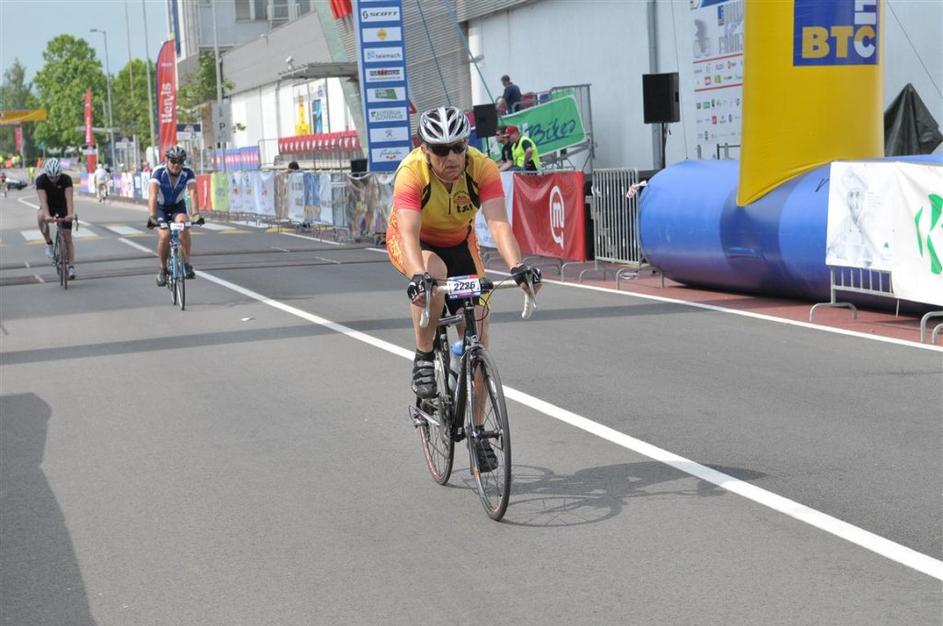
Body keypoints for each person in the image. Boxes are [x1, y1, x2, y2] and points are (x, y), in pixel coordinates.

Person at [386, 106, 541, 469]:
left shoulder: (482, 168)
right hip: (416, 244)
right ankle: (424, 356)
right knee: (432, 274)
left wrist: (517, 267)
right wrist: (417, 276)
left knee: (478, 332)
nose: (452, 157)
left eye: (458, 147)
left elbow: (499, 224)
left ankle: (478, 431)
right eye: (441, 150)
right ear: (425, 149)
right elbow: (407, 232)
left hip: (460, 244)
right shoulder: (412, 171)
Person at [146, 145, 202, 285]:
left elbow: (193, 193)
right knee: (165, 236)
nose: (176, 165)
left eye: (180, 162)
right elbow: (153, 194)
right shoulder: (159, 171)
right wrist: (152, 217)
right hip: (160, 207)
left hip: (177, 206)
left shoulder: (188, 172)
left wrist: (195, 214)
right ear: (167, 160)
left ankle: (187, 264)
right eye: (173, 161)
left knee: (183, 226)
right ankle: (163, 268)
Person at [35, 158, 77, 279]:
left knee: (67, 236)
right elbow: (43, 202)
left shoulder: (66, 179)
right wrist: (47, 216)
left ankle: (71, 266)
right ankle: (49, 243)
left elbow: (69, 200)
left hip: (63, 207)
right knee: (40, 216)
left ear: (60, 173)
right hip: (49, 206)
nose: (53, 179)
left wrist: (70, 215)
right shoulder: (41, 180)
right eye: (51, 177)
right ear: (46, 174)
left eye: (56, 177)